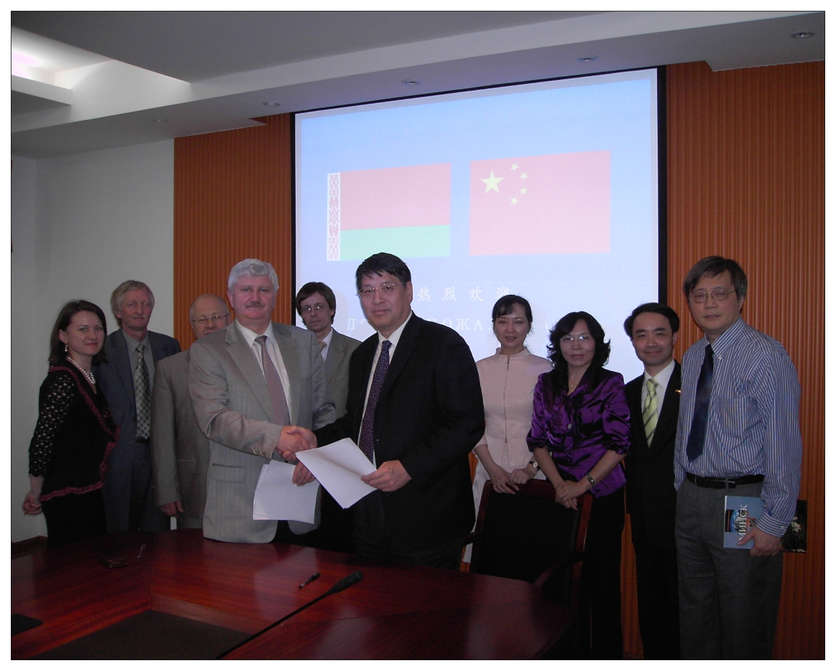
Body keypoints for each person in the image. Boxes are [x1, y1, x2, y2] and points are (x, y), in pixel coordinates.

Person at [311, 252, 484, 569]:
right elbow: (357, 422)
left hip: (428, 515)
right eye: (367, 291)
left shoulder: (443, 344)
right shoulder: (362, 354)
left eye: (387, 287)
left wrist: (409, 467)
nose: (377, 299)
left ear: (409, 290)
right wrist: (313, 440)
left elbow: (467, 424)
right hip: (367, 506)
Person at [674, 256, 802, 659]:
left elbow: (783, 442)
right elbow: (686, 429)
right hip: (692, 498)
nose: (709, 304)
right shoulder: (694, 356)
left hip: (743, 500)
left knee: (743, 614)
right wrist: (681, 487)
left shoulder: (766, 355)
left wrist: (775, 522)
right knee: (694, 613)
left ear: (740, 298)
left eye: (719, 294)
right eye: (699, 296)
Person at [189, 258, 334, 543]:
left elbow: (324, 410)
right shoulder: (208, 350)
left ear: (275, 295)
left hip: (299, 499)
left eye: (264, 290)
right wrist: (278, 438)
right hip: (240, 508)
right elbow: (214, 419)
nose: (255, 297)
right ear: (231, 297)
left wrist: (316, 456)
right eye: (246, 289)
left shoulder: (303, 342)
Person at [527, 311, 630, 658]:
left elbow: (619, 444)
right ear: (558, 344)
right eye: (568, 338)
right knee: (559, 583)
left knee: (601, 583)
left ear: (597, 343)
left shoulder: (610, 382)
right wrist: (560, 485)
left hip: (602, 495)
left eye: (584, 338)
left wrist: (582, 485)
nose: (576, 345)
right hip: (559, 496)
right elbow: (537, 440)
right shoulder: (546, 383)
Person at [23, 300, 117, 547]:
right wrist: (35, 492)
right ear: (63, 336)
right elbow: (42, 440)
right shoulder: (62, 380)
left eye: (98, 328)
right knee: (72, 563)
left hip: (88, 487)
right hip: (66, 492)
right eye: (83, 329)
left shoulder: (86, 376)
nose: (92, 335)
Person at [96, 280, 180, 534]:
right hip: (120, 456)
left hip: (160, 456)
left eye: (146, 304)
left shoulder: (169, 347)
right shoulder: (102, 350)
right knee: (119, 530)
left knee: (158, 533)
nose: (140, 310)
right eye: (132, 304)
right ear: (118, 311)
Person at [623, 302, 681, 659]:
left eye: (659, 333)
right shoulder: (627, 392)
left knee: (689, 607)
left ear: (675, 336)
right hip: (644, 517)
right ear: (633, 342)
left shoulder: (699, 386)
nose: (651, 342)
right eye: (641, 335)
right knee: (651, 602)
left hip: (689, 518)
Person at [150, 294, 231, 529]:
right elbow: (162, 435)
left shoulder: (250, 363)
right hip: (194, 486)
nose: (210, 324)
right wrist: (167, 490)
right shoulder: (170, 369)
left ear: (229, 320)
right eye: (202, 319)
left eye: (216, 317)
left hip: (245, 486)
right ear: (192, 325)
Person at [295, 281, 360, 551]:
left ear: (332, 309)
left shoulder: (357, 350)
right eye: (306, 308)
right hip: (299, 450)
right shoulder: (289, 351)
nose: (313, 314)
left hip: (340, 450)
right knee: (302, 536)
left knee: (338, 534)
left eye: (319, 307)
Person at [471, 295, 551, 513]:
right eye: (502, 321)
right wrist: (492, 469)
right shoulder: (479, 369)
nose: (510, 329)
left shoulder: (545, 370)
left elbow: (552, 427)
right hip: (489, 475)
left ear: (529, 326)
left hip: (535, 476)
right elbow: (472, 423)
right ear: (494, 326)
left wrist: (531, 469)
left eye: (518, 322)